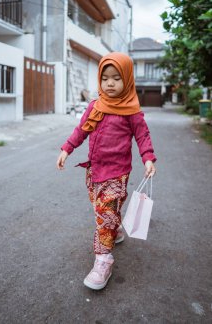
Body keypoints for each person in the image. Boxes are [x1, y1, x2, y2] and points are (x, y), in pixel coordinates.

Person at [56, 52, 156, 290]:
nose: (110, 83)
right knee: (101, 207)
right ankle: (115, 229)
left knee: (105, 211)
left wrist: (148, 158)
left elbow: (142, 135)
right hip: (94, 170)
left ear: (128, 80)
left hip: (117, 173)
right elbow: (81, 130)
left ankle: (103, 260)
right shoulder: (95, 106)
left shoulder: (131, 111)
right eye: (105, 78)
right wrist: (66, 148)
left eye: (116, 78)